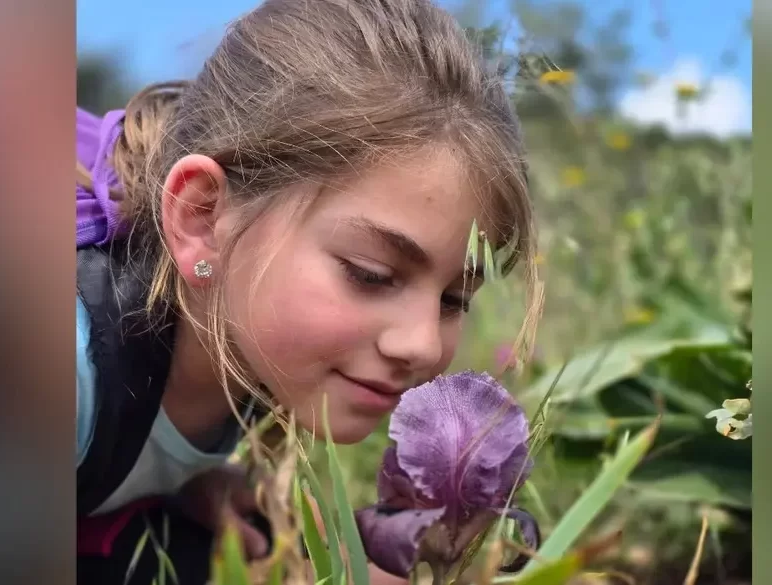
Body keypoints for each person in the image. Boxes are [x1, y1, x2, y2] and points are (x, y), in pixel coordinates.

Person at [75, 0, 543, 583]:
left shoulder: (245, 344)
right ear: (202, 218)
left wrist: (185, 486)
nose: (423, 345)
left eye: (454, 299)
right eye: (370, 273)